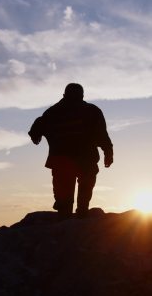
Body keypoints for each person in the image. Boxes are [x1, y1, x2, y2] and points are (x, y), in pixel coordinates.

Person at [29, 83, 113, 220]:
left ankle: (72, 212)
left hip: (69, 161)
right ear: (82, 95)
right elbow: (102, 136)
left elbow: (36, 130)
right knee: (75, 199)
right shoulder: (91, 111)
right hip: (78, 161)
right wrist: (108, 153)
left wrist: (108, 152)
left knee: (71, 199)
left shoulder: (53, 112)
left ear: (64, 95)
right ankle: (75, 213)